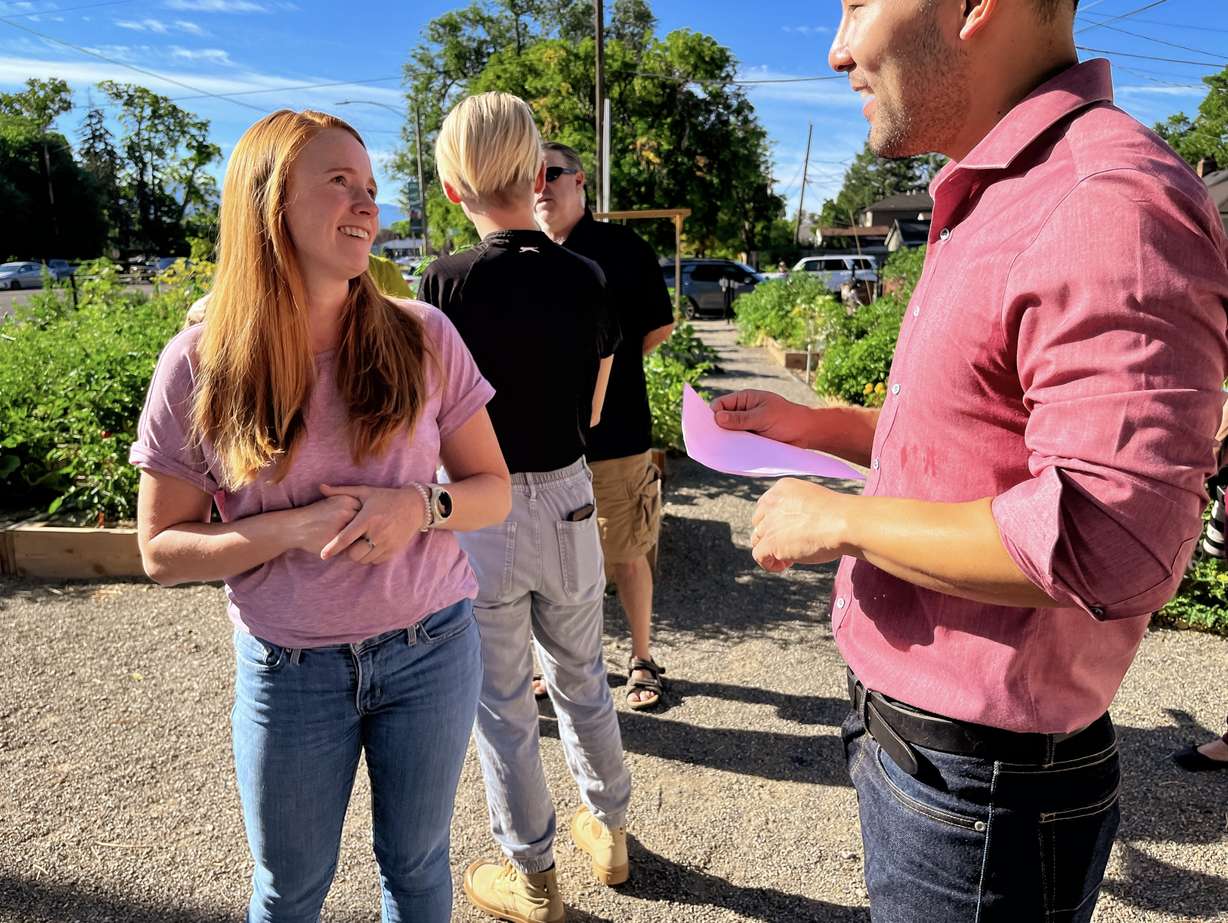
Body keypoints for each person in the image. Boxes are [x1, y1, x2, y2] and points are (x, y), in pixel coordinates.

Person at [713, 0, 1228, 919]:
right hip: (931, 760)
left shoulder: (1103, 198)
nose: (838, 50)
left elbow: (1114, 541)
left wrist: (838, 517)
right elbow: (976, 443)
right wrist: (819, 426)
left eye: (857, 4)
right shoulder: (1003, 188)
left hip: (981, 790)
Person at [129, 109, 511, 922]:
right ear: (267, 202)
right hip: (289, 672)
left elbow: (492, 489)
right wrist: (294, 528)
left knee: (415, 869)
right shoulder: (198, 366)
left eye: (371, 188)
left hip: (431, 648)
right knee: (290, 889)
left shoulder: (422, 335)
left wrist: (420, 505)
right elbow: (160, 550)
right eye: (340, 182)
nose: (367, 204)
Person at [416, 92, 631, 923]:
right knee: (583, 676)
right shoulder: (585, 276)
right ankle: (609, 830)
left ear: (451, 191)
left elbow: (430, 409)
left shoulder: (444, 281)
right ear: (540, 174)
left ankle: (533, 876)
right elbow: (597, 405)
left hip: (483, 508)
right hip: (570, 494)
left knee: (501, 703)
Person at [534, 141, 675, 710]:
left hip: (616, 434)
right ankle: (558, 664)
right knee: (550, 563)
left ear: (580, 181)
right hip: (541, 440)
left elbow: (655, 330)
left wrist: (605, 377)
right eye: (527, 177)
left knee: (626, 550)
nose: (539, 186)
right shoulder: (523, 255)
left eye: (551, 174)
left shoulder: (623, 250)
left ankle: (641, 661)